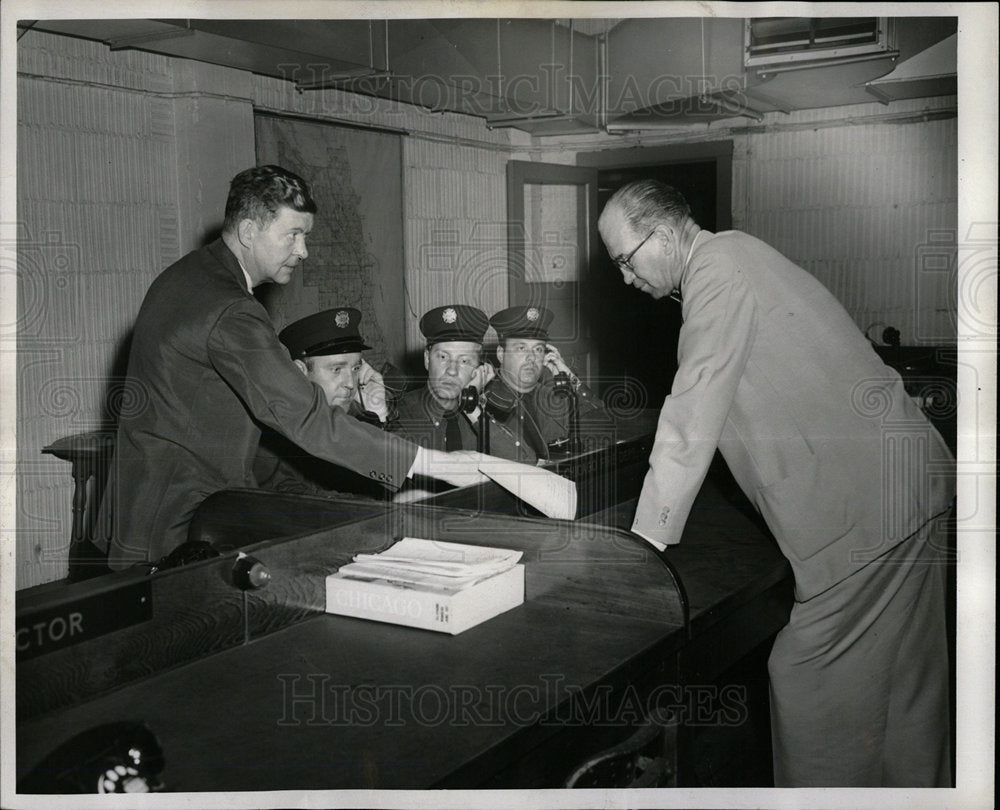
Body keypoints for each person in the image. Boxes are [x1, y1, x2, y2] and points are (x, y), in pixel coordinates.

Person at [597, 179, 955, 787]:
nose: (626, 280)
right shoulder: (742, 253)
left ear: (661, 234)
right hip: (910, 488)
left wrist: (646, 543)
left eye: (625, 261)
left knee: (806, 676)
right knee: (906, 693)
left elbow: (696, 400)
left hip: (865, 519)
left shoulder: (716, 271)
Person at [96, 165, 486, 569]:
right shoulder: (230, 310)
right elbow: (307, 419)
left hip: (147, 503)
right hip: (174, 521)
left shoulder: (189, 275)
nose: (303, 251)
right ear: (249, 232)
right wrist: (431, 463)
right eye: (293, 235)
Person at [253, 307, 388, 498]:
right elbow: (288, 498)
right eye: (336, 369)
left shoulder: (358, 418)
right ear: (300, 371)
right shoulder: (275, 429)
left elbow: (386, 483)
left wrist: (377, 413)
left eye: (356, 368)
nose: (350, 383)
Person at [485, 305, 611, 464]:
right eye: (521, 348)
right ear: (501, 354)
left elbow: (603, 432)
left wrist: (570, 378)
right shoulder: (486, 401)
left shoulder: (551, 396)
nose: (531, 357)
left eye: (538, 349)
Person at [388, 305, 495, 452]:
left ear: (479, 369)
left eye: (464, 361)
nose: (452, 371)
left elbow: (522, 463)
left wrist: (471, 407)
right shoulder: (397, 413)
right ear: (427, 359)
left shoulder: (486, 414)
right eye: (443, 357)